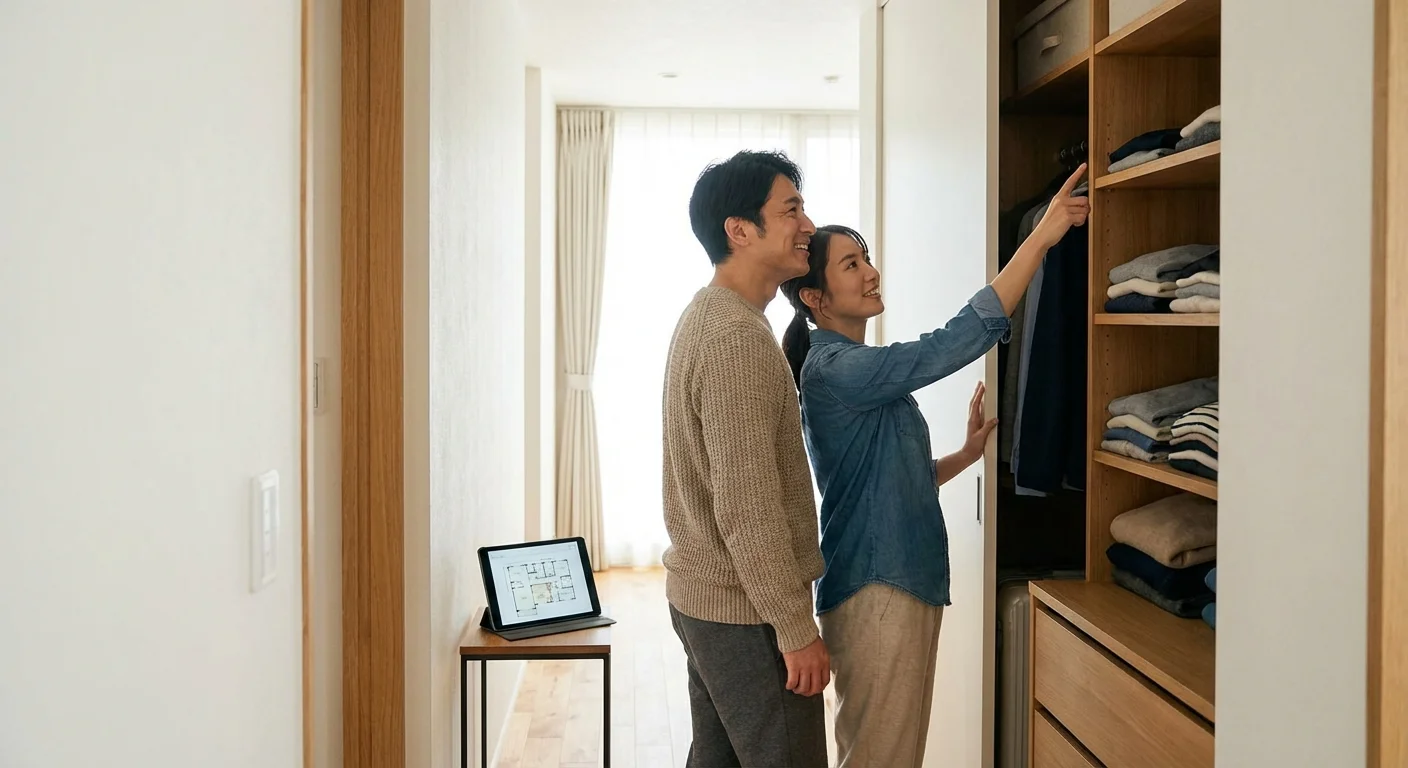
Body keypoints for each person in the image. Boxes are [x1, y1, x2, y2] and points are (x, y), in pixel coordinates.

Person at [777, 165, 1090, 768]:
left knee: (890, 755)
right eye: (850, 265)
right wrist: (1041, 237)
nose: (870, 272)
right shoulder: (838, 369)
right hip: (877, 591)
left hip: (902, 583)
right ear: (815, 298)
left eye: (865, 257)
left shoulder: (857, 369)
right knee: (879, 758)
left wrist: (965, 457)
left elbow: (889, 483)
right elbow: (951, 343)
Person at [660, 149, 830, 767]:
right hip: (745, 614)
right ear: (740, 230)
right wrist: (794, 628)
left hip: (706, 600)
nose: (807, 225)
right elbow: (747, 508)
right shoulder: (735, 341)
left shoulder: (711, 317)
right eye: (791, 210)